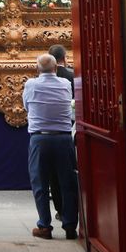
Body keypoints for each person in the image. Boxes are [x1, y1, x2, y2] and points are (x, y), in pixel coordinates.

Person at [22, 54, 79, 240]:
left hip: (40, 138)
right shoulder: (65, 84)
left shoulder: (31, 85)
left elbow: (26, 106)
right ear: (56, 68)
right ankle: (70, 225)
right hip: (63, 138)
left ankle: (44, 226)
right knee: (68, 183)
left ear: (37, 69)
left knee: (40, 183)